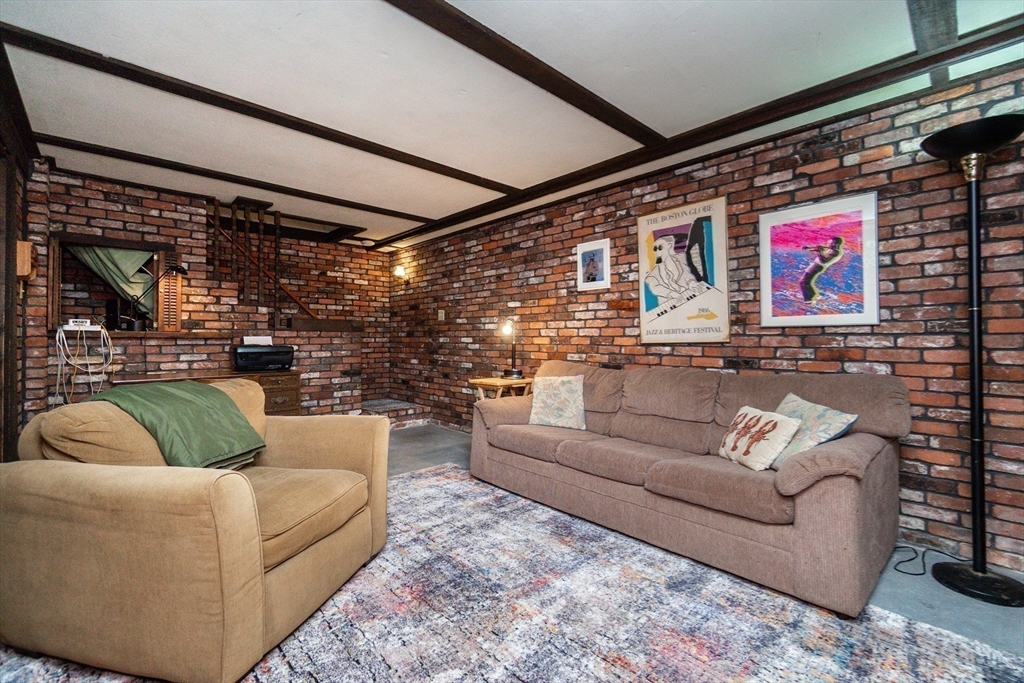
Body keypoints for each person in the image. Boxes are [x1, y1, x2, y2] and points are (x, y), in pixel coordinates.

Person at [799, 236, 844, 303]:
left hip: (817, 266)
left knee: (803, 281)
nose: (828, 245)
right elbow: (820, 249)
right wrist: (809, 248)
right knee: (805, 281)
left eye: (830, 243)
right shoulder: (832, 249)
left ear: (836, 244)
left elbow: (823, 261)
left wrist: (819, 251)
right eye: (828, 243)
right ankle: (812, 295)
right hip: (815, 265)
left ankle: (809, 299)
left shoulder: (835, 252)